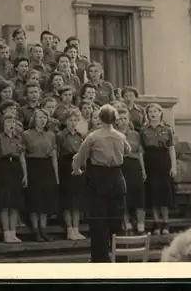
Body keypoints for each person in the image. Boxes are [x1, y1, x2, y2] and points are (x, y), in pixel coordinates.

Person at [72, 104, 130, 262]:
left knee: (98, 222)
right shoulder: (120, 136)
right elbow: (128, 150)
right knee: (117, 222)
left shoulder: (93, 137)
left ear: (99, 118)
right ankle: (121, 258)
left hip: (99, 180)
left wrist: (77, 171)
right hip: (117, 179)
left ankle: (100, 259)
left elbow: (79, 157)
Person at [22, 108, 60, 242]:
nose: (42, 120)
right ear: (34, 119)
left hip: (46, 166)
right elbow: (22, 155)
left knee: (44, 202)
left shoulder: (50, 135)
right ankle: (36, 230)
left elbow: (54, 156)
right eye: (39, 118)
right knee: (35, 200)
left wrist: (56, 176)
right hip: (33, 167)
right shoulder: (26, 134)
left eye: (45, 118)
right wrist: (25, 174)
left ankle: (44, 230)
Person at [140, 103, 177, 235]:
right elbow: (141, 151)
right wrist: (143, 169)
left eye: (156, 111)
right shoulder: (143, 131)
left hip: (164, 162)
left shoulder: (167, 130)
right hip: (150, 162)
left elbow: (171, 149)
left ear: (160, 113)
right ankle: (156, 222)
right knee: (154, 194)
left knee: (164, 193)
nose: (153, 114)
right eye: (150, 111)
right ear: (147, 114)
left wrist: (174, 166)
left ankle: (166, 223)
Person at [0, 112, 28, 243]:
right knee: (5, 203)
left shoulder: (19, 138)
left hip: (16, 169)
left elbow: (22, 157)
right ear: (3, 125)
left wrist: (25, 175)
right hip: (4, 168)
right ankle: (6, 232)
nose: (11, 125)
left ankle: (13, 232)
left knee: (14, 204)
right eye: (8, 122)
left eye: (12, 122)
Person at [115, 108, 147, 234]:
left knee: (139, 195)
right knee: (123, 195)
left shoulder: (135, 134)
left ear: (129, 120)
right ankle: (126, 223)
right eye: (120, 119)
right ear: (116, 121)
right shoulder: (113, 134)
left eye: (125, 119)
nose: (123, 121)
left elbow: (139, 153)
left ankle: (140, 225)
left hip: (134, 166)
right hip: (120, 165)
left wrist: (143, 169)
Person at [57, 108, 87, 240]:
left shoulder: (81, 136)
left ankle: (76, 228)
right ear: (65, 121)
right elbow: (57, 154)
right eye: (70, 120)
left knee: (77, 201)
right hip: (66, 166)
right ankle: (69, 229)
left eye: (76, 120)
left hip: (78, 166)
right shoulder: (60, 136)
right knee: (68, 201)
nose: (73, 123)